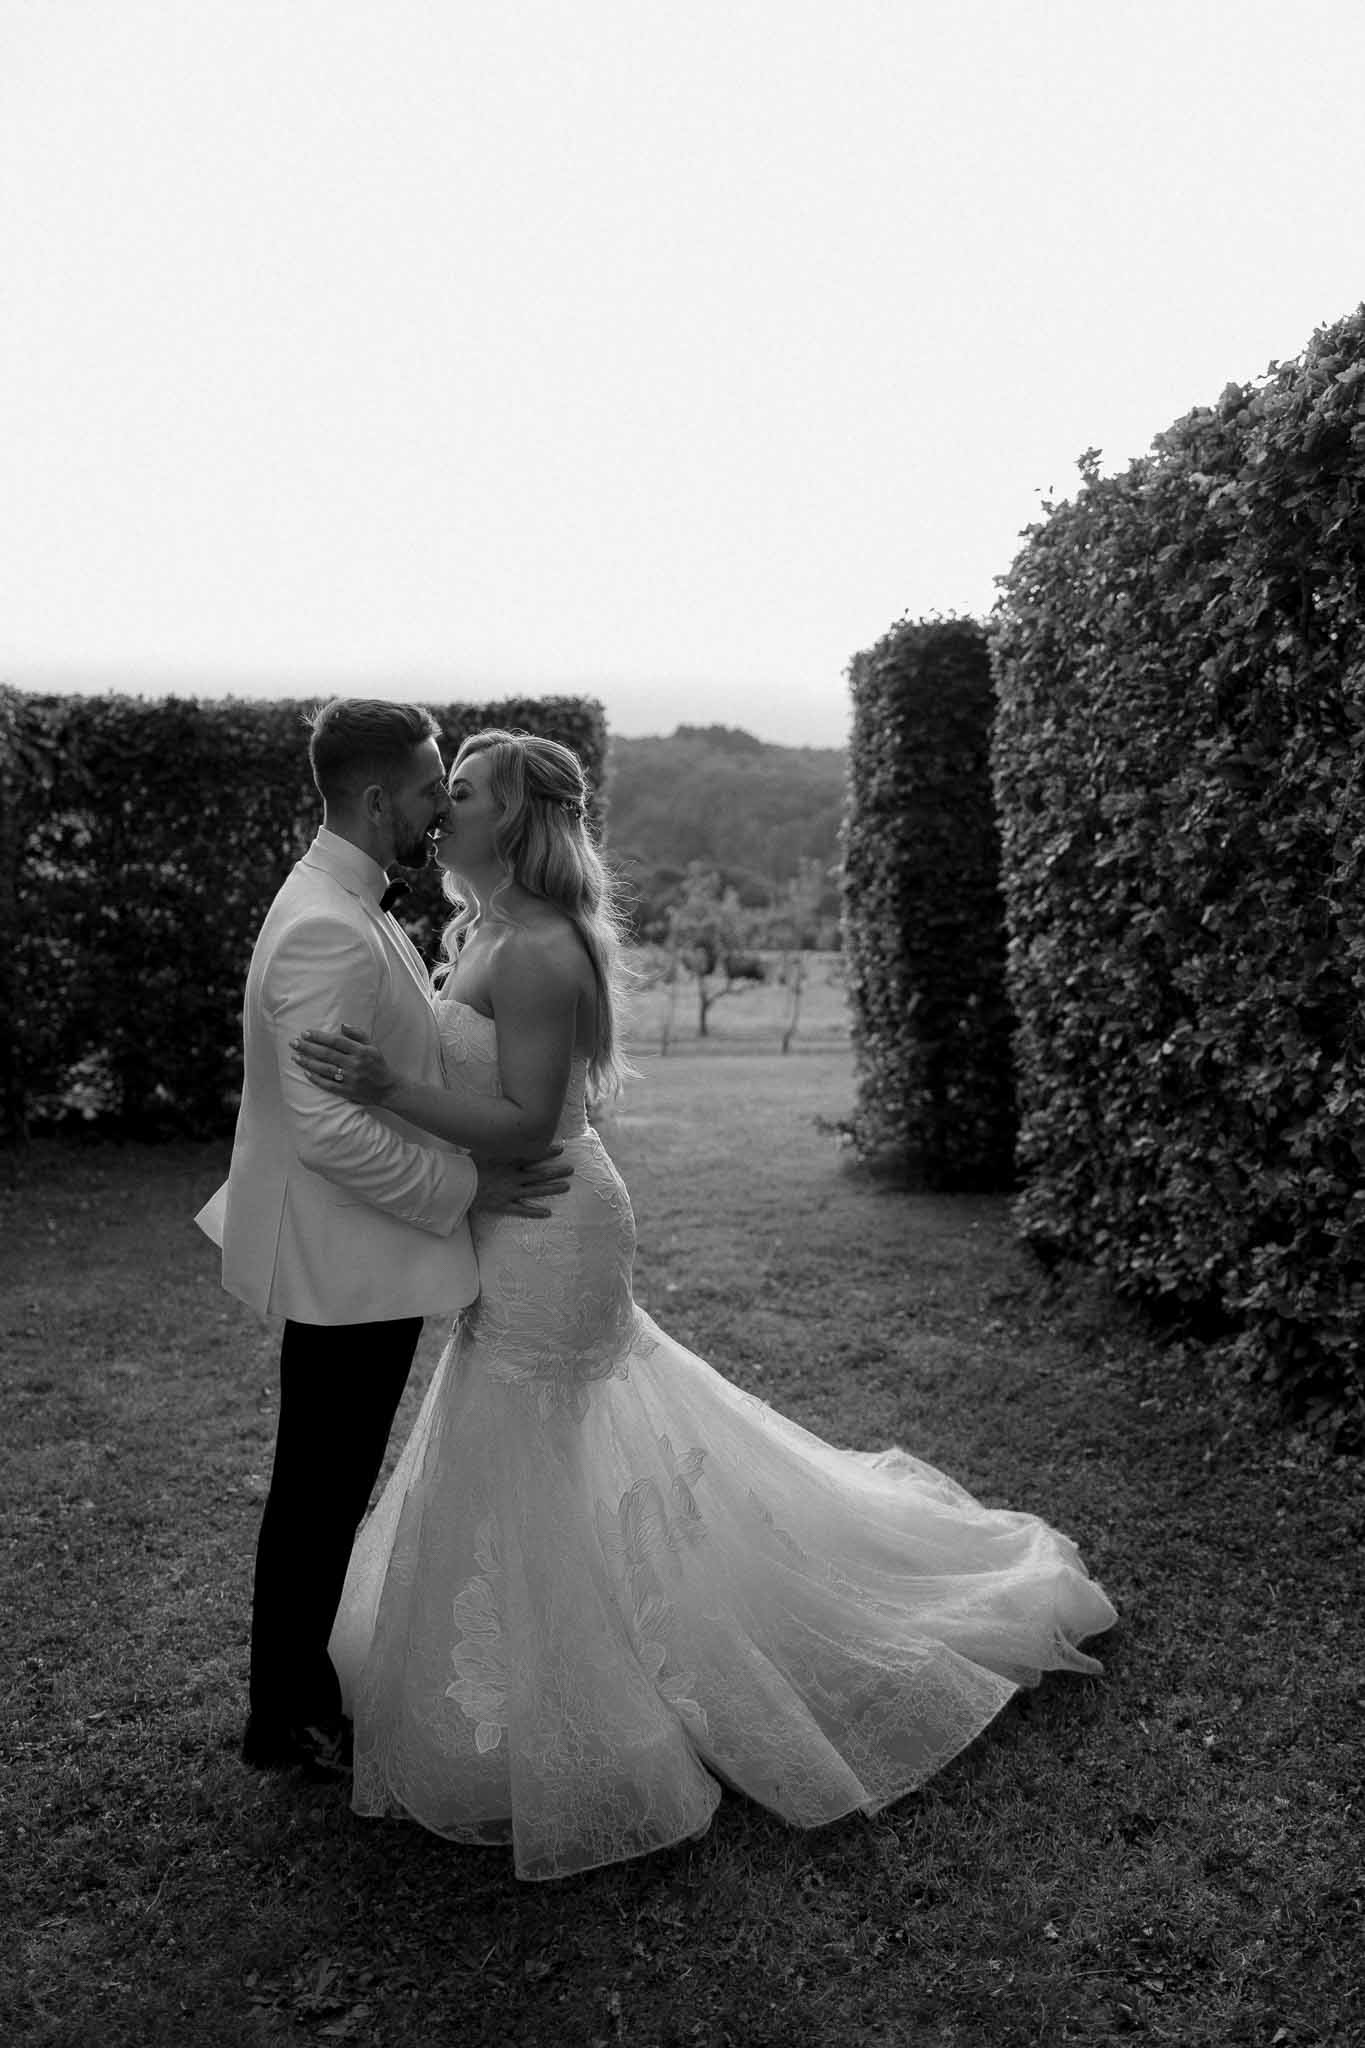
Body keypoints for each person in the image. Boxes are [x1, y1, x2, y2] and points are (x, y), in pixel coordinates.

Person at [292, 727, 1118, 1879]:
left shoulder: (536, 947)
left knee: (522, 1437)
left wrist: (387, 1086)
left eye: (462, 792)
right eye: (441, 789)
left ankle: (568, 1698)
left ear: (515, 821)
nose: (441, 809)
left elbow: (531, 1121)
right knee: (530, 1443)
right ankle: (527, 1672)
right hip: (518, 1222)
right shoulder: (482, 927)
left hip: (549, 1221)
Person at [195, 700, 570, 1781]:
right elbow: (324, 1131)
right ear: (374, 798)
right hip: (349, 1260)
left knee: (325, 1481)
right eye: (423, 791)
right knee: (320, 1487)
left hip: (357, 1253)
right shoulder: (324, 919)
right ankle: (288, 1715)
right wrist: (463, 1188)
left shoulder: (340, 898)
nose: (433, 810)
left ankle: (293, 1697)